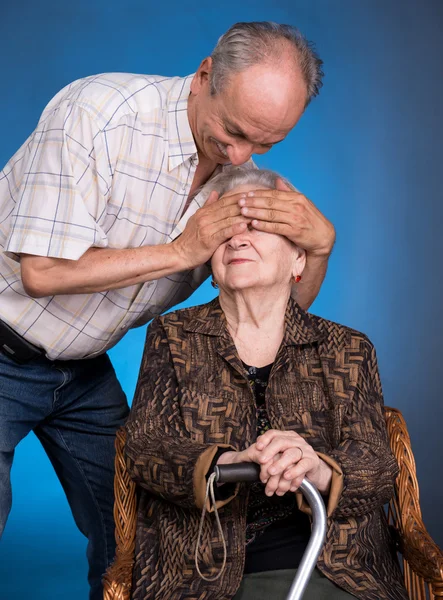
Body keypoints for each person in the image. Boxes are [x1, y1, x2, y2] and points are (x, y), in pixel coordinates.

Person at [0, 22, 335, 599]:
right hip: (4, 344)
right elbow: (42, 274)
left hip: (83, 368)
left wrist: (322, 246)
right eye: (231, 131)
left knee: (137, 532)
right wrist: (182, 252)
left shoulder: (239, 173)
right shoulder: (98, 115)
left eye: (265, 144)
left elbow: (280, 313)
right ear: (206, 74)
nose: (240, 155)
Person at [124, 165, 408, 600]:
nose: (237, 239)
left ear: (299, 259)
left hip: (333, 565)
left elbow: (378, 466)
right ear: (213, 266)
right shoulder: (173, 336)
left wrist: (317, 468)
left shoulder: (347, 348)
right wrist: (230, 460)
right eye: (226, 232)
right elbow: (147, 449)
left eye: (257, 227)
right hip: (203, 571)